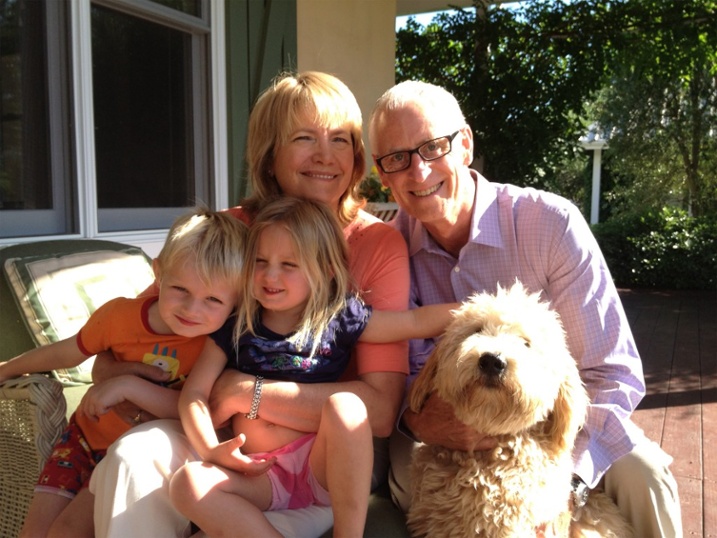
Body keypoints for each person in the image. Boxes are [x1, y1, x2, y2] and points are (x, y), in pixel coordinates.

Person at [89, 71, 412, 538]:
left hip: (320, 452)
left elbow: (379, 411)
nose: (326, 155)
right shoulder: (225, 230)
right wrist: (118, 375)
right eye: (304, 138)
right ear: (269, 155)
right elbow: (136, 331)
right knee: (131, 460)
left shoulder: (375, 244)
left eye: (340, 140)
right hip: (215, 429)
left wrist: (247, 391)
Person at [368, 80, 683, 537]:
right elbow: (406, 379)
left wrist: (566, 484)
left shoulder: (550, 224)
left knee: (646, 474)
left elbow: (612, 372)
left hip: (556, 423)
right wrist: (421, 421)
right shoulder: (389, 250)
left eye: (433, 147)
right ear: (383, 174)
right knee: (417, 486)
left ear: (465, 145)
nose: (418, 172)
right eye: (397, 158)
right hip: (441, 422)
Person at [169, 196, 457, 537]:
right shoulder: (236, 323)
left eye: (289, 265)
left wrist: (480, 311)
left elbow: (412, 321)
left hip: (319, 469)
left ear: (326, 269)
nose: (270, 274)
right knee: (187, 483)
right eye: (260, 260)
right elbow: (195, 395)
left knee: (347, 406)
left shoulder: (338, 317)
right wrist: (210, 450)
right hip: (261, 474)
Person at [0, 208, 246, 538]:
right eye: (180, 290)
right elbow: (69, 351)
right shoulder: (119, 316)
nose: (192, 309)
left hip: (135, 461)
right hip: (83, 439)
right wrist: (8, 368)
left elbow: (205, 412)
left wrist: (129, 387)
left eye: (213, 299)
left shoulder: (222, 343)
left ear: (239, 300)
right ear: (158, 272)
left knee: (66, 532)